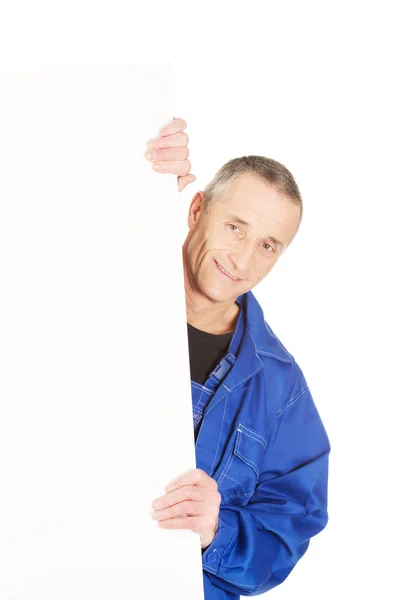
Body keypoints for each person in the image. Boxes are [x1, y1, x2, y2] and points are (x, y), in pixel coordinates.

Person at [146, 118, 330, 599]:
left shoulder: (281, 388)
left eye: (267, 245)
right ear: (196, 210)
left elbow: (289, 526)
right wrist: (135, 167)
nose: (243, 260)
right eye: (234, 226)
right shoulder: (107, 298)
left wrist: (215, 530)